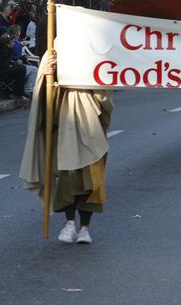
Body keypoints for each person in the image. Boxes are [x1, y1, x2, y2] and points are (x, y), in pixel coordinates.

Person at [20, 51, 114, 245]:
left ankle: (85, 228)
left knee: (91, 182)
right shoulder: (54, 51)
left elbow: (104, 94)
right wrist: (49, 73)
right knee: (66, 178)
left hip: (90, 131)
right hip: (62, 129)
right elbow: (43, 96)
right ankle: (70, 223)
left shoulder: (94, 50)